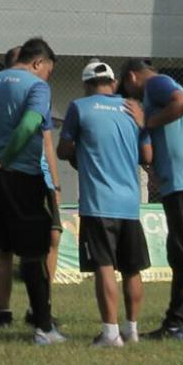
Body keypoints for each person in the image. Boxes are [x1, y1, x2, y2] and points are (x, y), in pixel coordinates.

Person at [0, 38, 65, 345]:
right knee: (33, 255)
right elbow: (31, 124)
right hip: (22, 176)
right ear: (37, 63)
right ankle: (43, 329)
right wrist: (4, 158)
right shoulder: (36, 86)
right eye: (48, 70)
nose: (47, 77)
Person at [120, 58, 183, 343]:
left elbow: (182, 104)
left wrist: (147, 121)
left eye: (127, 90)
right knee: (179, 252)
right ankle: (175, 323)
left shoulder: (157, 83)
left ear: (132, 77)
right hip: (182, 180)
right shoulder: (156, 88)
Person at [58, 61, 149, 347]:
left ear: (87, 84)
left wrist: (80, 153)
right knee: (132, 268)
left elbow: (63, 149)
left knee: (104, 265)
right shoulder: (132, 108)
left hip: (98, 203)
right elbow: (147, 154)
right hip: (130, 203)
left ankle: (110, 333)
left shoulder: (80, 107)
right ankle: (132, 330)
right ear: (112, 82)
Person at [0, 47, 63, 330]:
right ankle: (4, 313)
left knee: (50, 241)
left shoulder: (34, 93)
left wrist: (54, 181)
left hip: (36, 177)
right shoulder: (3, 93)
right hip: (14, 179)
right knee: (6, 251)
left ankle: (39, 307)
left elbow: (46, 141)